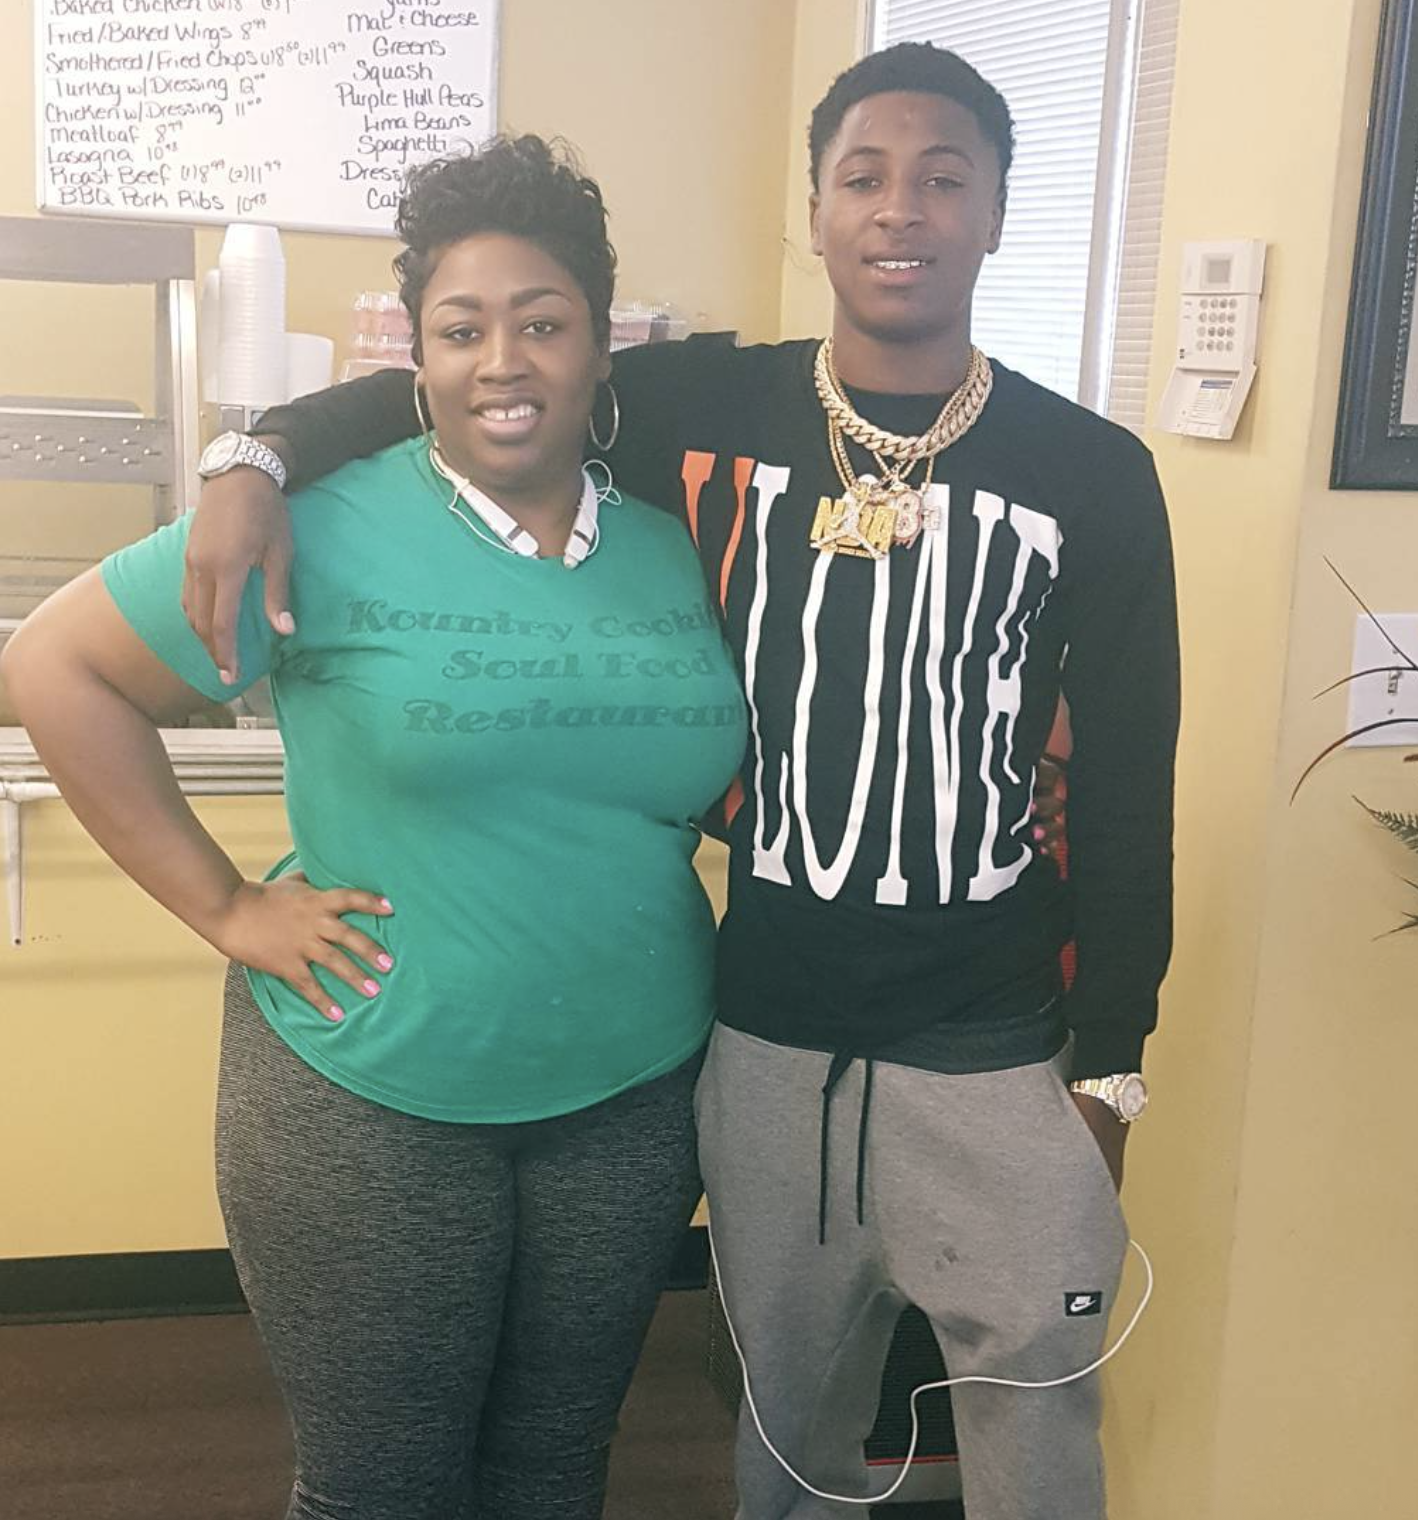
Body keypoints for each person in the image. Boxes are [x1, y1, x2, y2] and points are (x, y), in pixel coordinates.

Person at [179, 43, 1180, 1520]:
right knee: (782, 1434)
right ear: (820, 210)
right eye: (863, 177)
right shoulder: (701, 405)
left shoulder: (1090, 470)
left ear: (994, 212)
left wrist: (1108, 1063)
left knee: (1037, 1427)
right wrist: (248, 455)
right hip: (762, 1028)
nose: (900, 210)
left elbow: (1132, 780)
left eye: (942, 178)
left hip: (996, 1037)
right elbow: (469, 387)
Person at [1, 134, 748, 1520]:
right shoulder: (316, 522)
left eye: (541, 324)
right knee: (381, 1488)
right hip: (371, 1096)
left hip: (634, 1093)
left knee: (552, 1471)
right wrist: (225, 908)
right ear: (417, 355)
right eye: (461, 329)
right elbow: (55, 665)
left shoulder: (676, 544)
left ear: (599, 348)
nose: (502, 361)